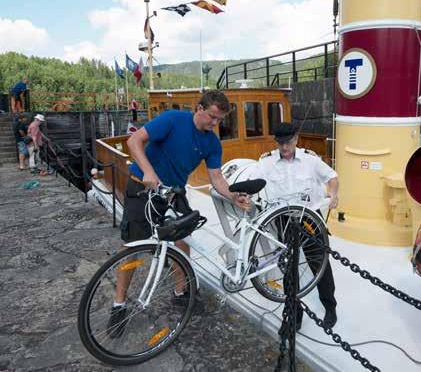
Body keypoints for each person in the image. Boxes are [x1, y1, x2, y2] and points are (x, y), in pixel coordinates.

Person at [108, 90, 251, 337]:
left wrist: (233, 195)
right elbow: (134, 141)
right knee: (132, 246)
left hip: (173, 192)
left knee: (182, 240)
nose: (215, 124)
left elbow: (216, 178)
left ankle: (180, 291)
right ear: (199, 109)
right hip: (143, 187)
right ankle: (118, 305)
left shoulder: (211, 142)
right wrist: (149, 172)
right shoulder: (173, 119)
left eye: (220, 120)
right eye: (212, 117)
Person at [256, 122, 339, 331]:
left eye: (289, 142)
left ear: (296, 139)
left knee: (319, 262)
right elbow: (254, 181)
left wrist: (334, 193)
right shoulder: (266, 163)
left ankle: (330, 306)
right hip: (284, 219)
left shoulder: (311, 160)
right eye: (281, 143)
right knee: (288, 267)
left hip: (309, 217)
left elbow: (332, 176)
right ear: (276, 142)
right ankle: (293, 315)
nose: (285, 148)